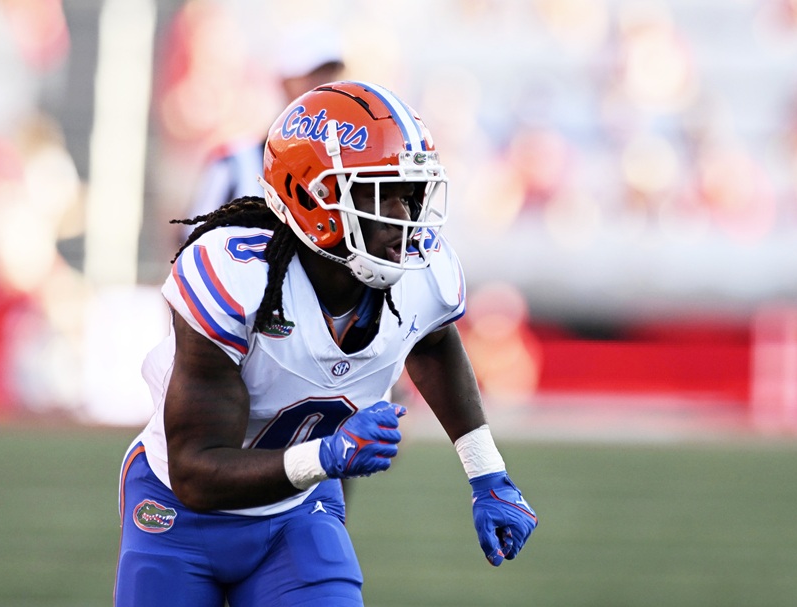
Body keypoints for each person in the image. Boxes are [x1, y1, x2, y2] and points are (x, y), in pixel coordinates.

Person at [115, 81, 538, 606]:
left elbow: (433, 341)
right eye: (382, 193)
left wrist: (488, 473)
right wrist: (330, 454)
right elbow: (197, 472)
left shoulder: (420, 272)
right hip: (177, 513)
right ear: (313, 195)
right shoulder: (233, 277)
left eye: (409, 194)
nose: (404, 218)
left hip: (296, 514)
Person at [180, 31, 345, 236]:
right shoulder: (233, 162)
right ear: (284, 83)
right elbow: (193, 242)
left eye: (330, 75)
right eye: (312, 75)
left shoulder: (349, 162)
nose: (322, 85)